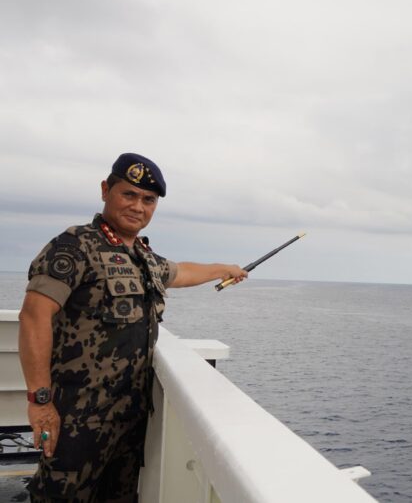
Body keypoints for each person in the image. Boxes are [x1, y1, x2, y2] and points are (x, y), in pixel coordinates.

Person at [18, 153, 248, 502]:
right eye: (129, 195)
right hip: (78, 415)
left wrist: (223, 269)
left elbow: (180, 272)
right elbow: (34, 317)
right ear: (105, 191)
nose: (138, 207)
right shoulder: (75, 246)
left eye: (148, 200)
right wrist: (40, 400)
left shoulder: (140, 256)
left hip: (129, 416)